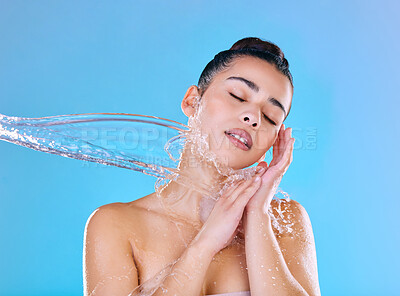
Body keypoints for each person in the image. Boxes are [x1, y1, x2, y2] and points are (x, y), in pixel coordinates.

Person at [83, 37, 321, 296]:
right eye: (237, 96)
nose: (253, 118)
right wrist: (205, 244)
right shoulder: (116, 225)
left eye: (270, 117)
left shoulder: (285, 222)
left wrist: (257, 216)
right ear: (192, 101)